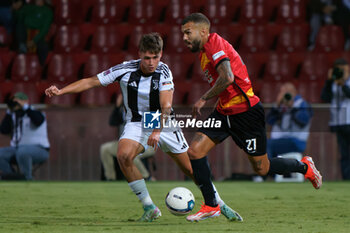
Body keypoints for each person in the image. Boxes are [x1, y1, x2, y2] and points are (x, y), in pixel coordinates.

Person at [45, 33, 241, 222]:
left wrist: (156, 131)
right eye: (147, 58)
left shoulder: (164, 71)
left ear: (161, 55)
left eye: (155, 57)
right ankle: (149, 207)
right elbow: (91, 81)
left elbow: (165, 106)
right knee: (123, 156)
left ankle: (219, 204)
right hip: (137, 122)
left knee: (191, 170)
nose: (151, 62)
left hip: (164, 123)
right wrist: (61, 91)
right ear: (140, 54)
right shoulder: (124, 69)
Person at [180, 13, 322, 222]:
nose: (184, 38)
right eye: (182, 33)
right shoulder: (204, 51)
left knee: (262, 168)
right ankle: (211, 205)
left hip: (246, 113)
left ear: (203, 31)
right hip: (224, 111)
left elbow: (228, 77)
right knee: (195, 151)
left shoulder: (213, 44)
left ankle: (305, 167)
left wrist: (203, 99)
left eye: (187, 32)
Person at [100, 93, 156, 181]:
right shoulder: (123, 111)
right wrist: (117, 107)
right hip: (126, 144)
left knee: (129, 153)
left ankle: (147, 177)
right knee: (105, 149)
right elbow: (112, 122)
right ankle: (110, 179)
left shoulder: (146, 108)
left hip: (146, 144)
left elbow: (151, 130)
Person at [0, 92, 50, 180]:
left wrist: (25, 107)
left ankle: (27, 178)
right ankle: (12, 178)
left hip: (40, 149)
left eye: (18, 101)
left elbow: (38, 120)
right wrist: (10, 111)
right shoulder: (13, 115)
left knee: (23, 151)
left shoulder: (36, 112)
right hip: (17, 149)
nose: (16, 103)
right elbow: (4, 130)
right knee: (4, 153)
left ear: (26, 101)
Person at [266, 82, 313, 159]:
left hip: (295, 141)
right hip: (279, 140)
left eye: (288, 92)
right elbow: (269, 120)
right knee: (264, 144)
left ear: (294, 92)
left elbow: (303, 121)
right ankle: (273, 169)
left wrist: (292, 107)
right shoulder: (280, 106)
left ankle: (268, 170)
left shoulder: (302, 103)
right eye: (282, 92)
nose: (285, 94)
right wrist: (277, 107)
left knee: (267, 145)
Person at [321, 58, 350, 180]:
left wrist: (343, 84)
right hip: (339, 122)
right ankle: (347, 179)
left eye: (343, 69)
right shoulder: (333, 83)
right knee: (344, 154)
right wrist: (328, 81)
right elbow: (324, 97)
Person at [15, 0, 53, 65]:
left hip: (38, 36)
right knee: (19, 25)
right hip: (25, 34)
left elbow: (45, 29)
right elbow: (18, 16)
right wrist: (16, 9)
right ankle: (22, 47)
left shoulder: (48, 11)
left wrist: (34, 41)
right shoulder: (28, 7)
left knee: (44, 48)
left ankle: (42, 69)